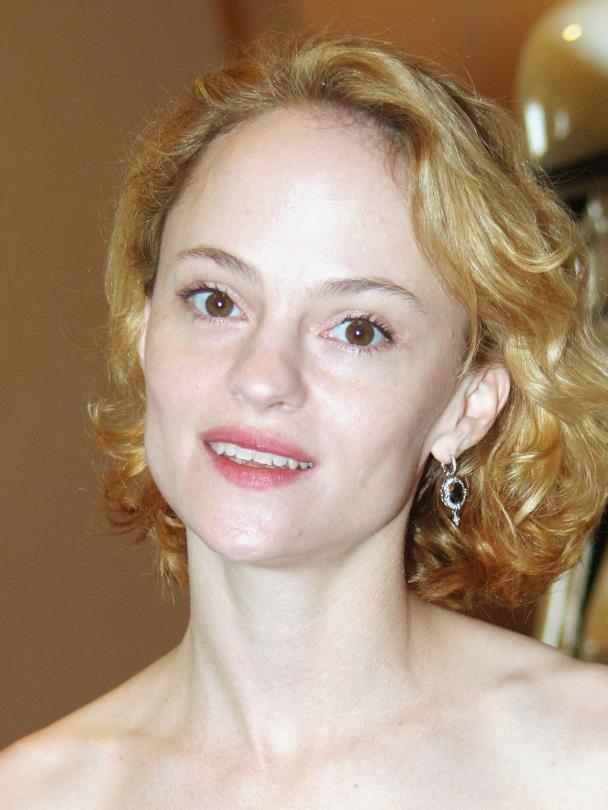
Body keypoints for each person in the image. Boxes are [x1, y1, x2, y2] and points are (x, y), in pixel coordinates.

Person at [2, 33, 607, 808]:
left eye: (358, 329)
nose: (262, 378)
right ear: (144, 332)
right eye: (216, 300)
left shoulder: (586, 760)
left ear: (466, 407)